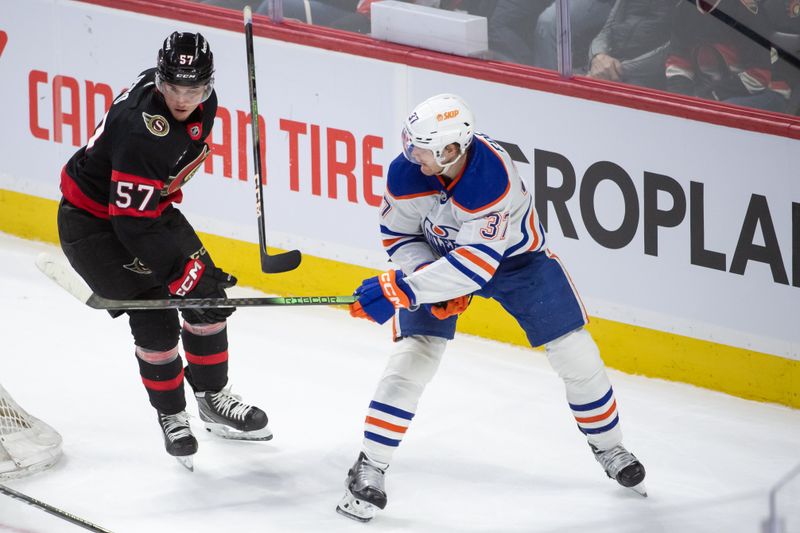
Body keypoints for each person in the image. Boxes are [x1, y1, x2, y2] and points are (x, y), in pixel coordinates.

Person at [335, 93, 647, 523]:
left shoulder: (491, 176)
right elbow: (398, 234)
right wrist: (421, 275)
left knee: (577, 353)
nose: (412, 155)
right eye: (411, 144)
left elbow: (476, 267)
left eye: (423, 149)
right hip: (442, 258)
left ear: (452, 150)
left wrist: (404, 291)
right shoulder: (407, 171)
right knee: (414, 357)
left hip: (517, 263)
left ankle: (610, 447)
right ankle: (370, 465)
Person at [56, 32, 271, 471]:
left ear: (208, 84)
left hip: (146, 211)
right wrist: (179, 273)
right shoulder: (142, 131)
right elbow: (127, 221)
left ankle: (212, 398)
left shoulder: (202, 104)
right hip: (94, 224)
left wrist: (189, 278)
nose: (183, 98)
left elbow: (149, 201)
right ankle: (172, 415)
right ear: (159, 80)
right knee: (155, 321)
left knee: (207, 301)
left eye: (194, 88)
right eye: (174, 87)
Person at [585, 0, 678, 89]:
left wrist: (613, 70)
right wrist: (598, 56)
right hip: (606, 67)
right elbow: (607, 29)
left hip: (644, 80)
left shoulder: (682, 4)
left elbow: (674, 49)